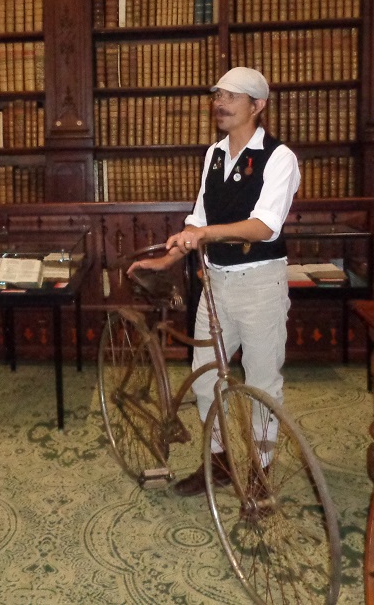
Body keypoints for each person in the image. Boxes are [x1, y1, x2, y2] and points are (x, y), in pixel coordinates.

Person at [127, 66, 300, 497]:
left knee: (261, 382)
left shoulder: (279, 158)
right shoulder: (214, 155)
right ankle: (221, 461)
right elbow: (199, 220)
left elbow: (265, 226)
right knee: (206, 378)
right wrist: (168, 260)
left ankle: (260, 471)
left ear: (258, 106)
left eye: (232, 96)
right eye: (217, 95)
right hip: (216, 286)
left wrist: (205, 235)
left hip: (260, 284)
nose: (219, 103)